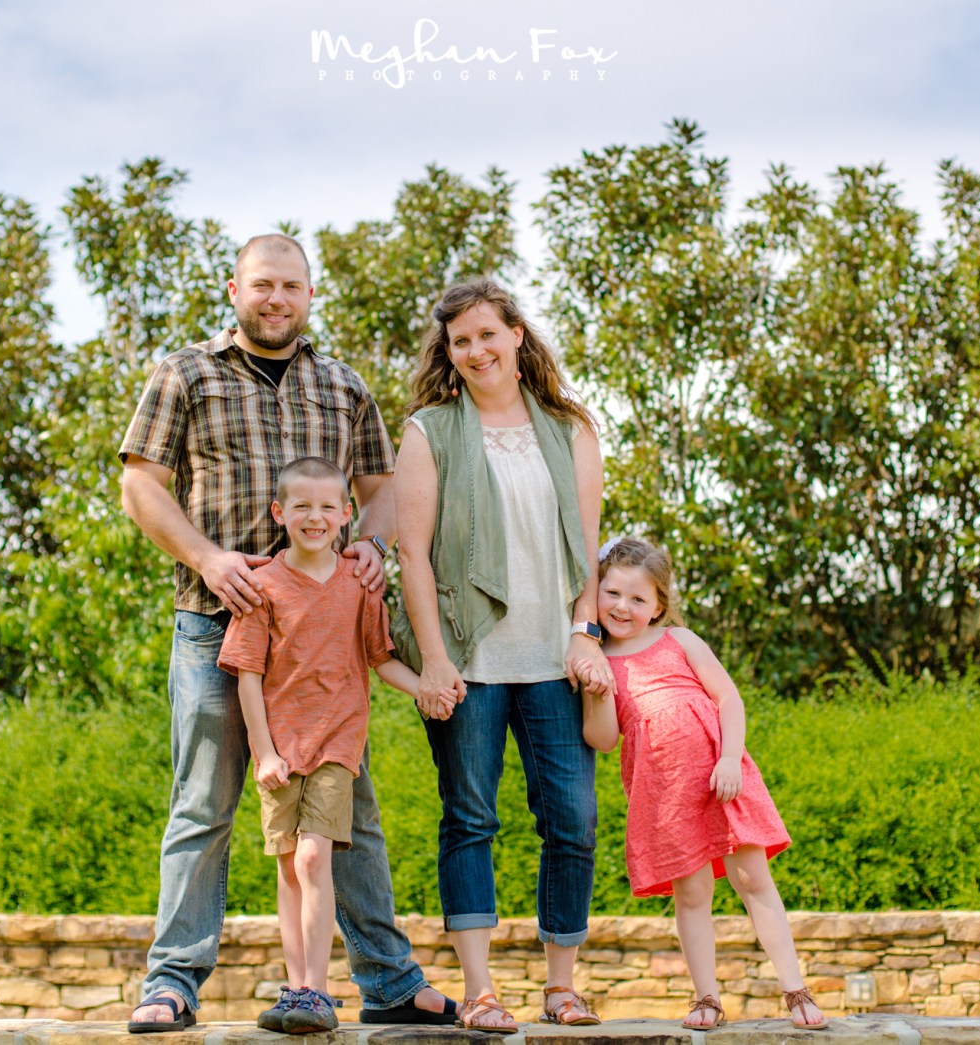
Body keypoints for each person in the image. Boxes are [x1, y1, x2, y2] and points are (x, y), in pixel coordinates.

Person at [118, 234, 456, 1033]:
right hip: (216, 624)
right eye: (263, 284)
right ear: (235, 289)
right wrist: (207, 558)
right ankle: (173, 983)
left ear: (309, 295)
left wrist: (371, 543)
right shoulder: (185, 373)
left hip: (323, 639)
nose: (277, 299)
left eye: (292, 286)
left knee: (351, 815)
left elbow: (380, 487)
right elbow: (141, 484)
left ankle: (388, 981)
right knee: (203, 805)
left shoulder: (343, 385)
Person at [390, 277, 613, 1032]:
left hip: (555, 659)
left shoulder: (570, 429)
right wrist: (433, 659)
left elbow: (587, 550)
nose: (476, 350)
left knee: (573, 821)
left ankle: (561, 987)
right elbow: (412, 555)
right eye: (461, 341)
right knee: (470, 819)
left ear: (516, 334)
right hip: (468, 661)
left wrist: (585, 632)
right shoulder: (428, 432)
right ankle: (481, 992)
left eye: (488, 333)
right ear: (449, 353)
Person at [580, 537, 827, 1031]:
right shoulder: (598, 659)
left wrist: (731, 758)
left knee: (753, 879)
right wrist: (599, 691)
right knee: (692, 894)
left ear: (658, 606)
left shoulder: (681, 640)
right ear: (596, 593)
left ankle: (795, 988)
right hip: (664, 793)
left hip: (720, 778)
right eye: (612, 594)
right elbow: (602, 740)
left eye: (638, 598)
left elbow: (729, 699)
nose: (623, 607)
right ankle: (706, 998)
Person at [219, 457, 424, 1033]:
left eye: (328, 506)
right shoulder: (262, 586)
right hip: (281, 749)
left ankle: (318, 990)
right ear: (279, 513)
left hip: (338, 742)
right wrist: (264, 753)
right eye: (302, 506)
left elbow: (381, 659)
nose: (316, 517)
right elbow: (248, 676)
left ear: (346, 513)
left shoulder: (359, 584)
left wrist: (427, 686)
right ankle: (297, 990)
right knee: (290, 867)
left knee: (313, 857)